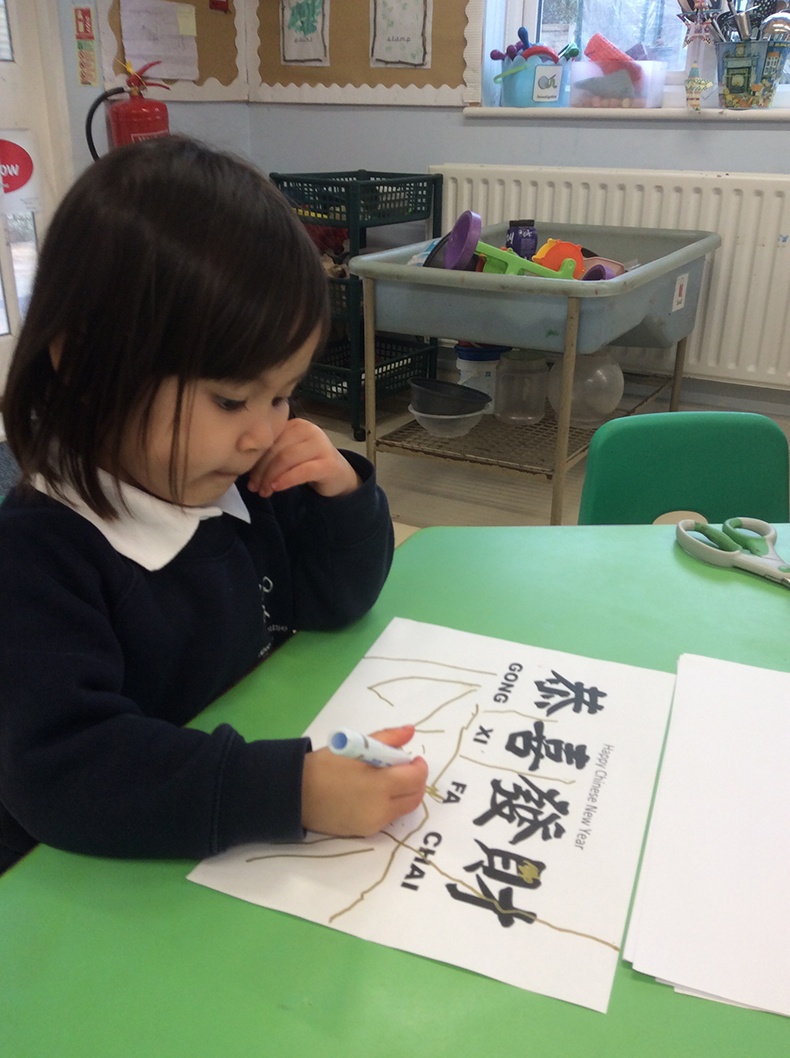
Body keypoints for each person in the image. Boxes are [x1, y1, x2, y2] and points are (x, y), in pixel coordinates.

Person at [0, 136, 427, 873]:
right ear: (83, 360)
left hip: (215, 842)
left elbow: (333, 603)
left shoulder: (233, 475)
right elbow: (66, 771)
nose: (265, 431)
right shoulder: (34, 562)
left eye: (282, 394)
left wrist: (342, 494)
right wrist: (289, 792)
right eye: (232, 400)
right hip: (71, 885)